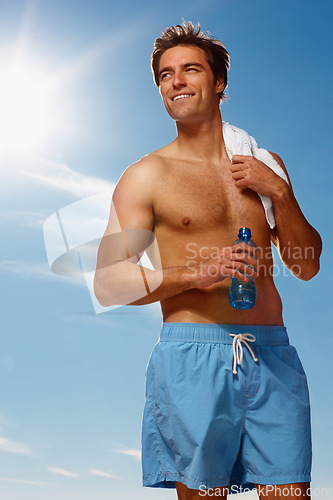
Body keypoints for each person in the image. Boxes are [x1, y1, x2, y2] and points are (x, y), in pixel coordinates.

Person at [93, 21, 322, 500]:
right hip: (192, 356)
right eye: (164, 74)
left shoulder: (264, 163)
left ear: (218, 82)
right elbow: (109, 283)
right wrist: (199, 272)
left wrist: (280, 191)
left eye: (190, 69)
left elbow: (306, 264)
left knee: (292, 493)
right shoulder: (146, 176)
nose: (175, 81)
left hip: (273, 355)